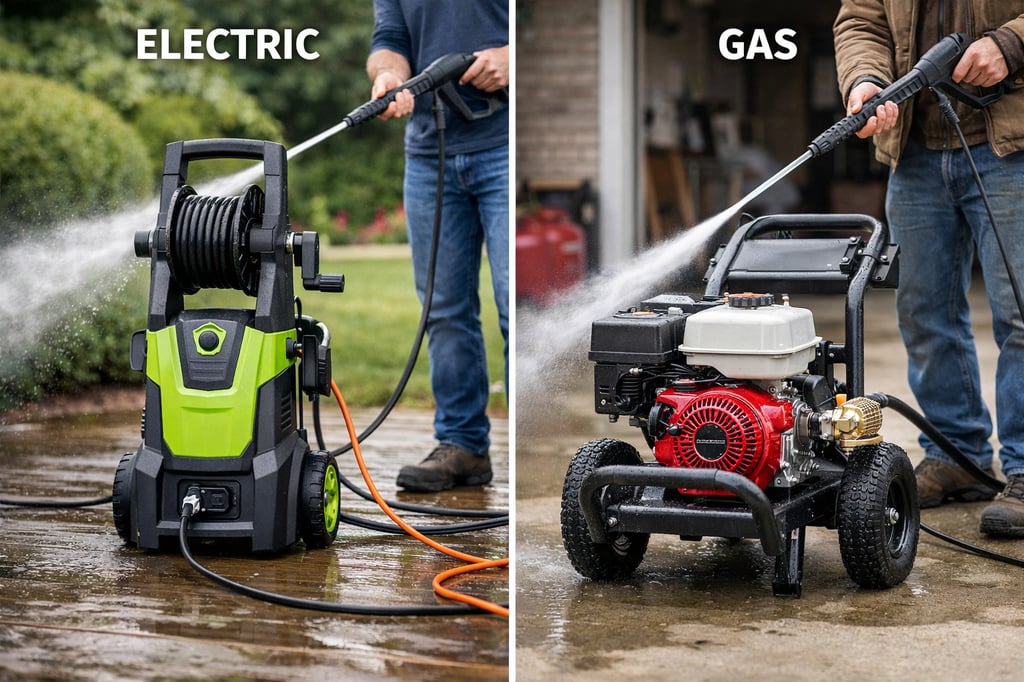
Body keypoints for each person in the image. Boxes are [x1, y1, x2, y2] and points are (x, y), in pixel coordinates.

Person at [834, 1, 1024, 536]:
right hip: (916, 151)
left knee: (1021, 312)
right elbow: (861, 19)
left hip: (1012, 148)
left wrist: (1012, 43)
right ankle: (955, 452)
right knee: (923, 313)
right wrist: (866, 80)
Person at [367, 1, 509, 492]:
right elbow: (389, 40)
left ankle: (526, 444)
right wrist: (389, 77)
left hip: (505, 144)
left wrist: (513, 57)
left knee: (511, 306)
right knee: (444, 309)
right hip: (430, 153)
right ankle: (463, 445)